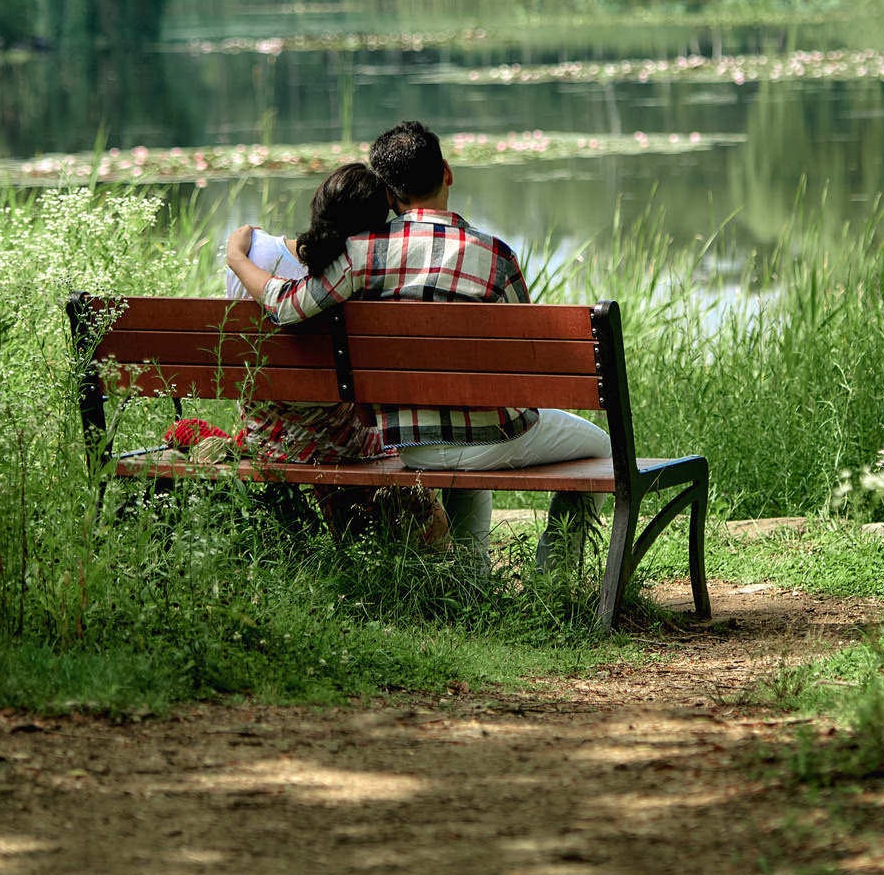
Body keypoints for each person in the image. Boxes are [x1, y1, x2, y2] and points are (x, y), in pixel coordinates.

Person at [224, 120, 608, 568]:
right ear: (447, 172)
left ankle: (471, 579)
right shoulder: (496, 257)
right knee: (601, 449)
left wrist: (235, 257)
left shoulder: (360, 253)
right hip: (490, 436)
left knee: (469, 455)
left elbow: (285, 305)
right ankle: (553, 577)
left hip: (409, 442)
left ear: (389, 194)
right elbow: (527, 361)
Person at [232, 164, 444, 545]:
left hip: (263, 436)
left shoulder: (252, 253)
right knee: (391, 434)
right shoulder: (361, 272)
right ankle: (422, 549)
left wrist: (235, 257)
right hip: (341, 440)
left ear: (318, 202)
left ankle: (348, 537)